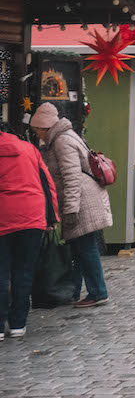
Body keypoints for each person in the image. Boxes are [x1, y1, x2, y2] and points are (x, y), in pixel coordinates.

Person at [31, 103, 111, 308]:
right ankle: (73, 291)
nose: (36, 134)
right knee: (78, 249)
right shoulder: (63, 137)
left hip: (82, 201)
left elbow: (71, 177)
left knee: (85, 248)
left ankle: (98, 292)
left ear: (45, 127)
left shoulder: (62, 142)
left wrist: (71, 209)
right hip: (82, 198)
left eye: (37, 130)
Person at [1, 126, 58, 337]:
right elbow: (46, 183)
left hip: (3, 216)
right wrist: (51, 217)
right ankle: (17, 324)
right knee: (23, 272)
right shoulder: (28, 149)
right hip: (31, 216)